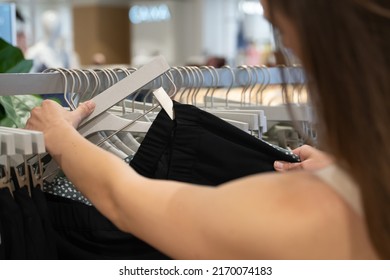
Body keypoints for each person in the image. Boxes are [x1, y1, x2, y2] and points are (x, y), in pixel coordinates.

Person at [25, 0, 389, 259]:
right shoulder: (359, 189)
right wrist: (342, 172)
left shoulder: (307, 216)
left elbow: (126, 201)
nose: (288, 48)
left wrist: (60, 137)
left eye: (281, 29)